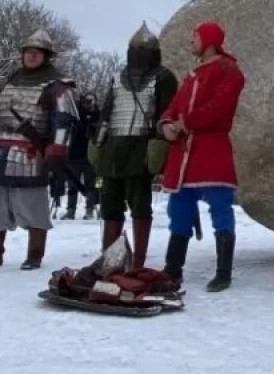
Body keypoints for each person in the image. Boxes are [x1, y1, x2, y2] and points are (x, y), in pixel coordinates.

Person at [0, 29, 78, 271]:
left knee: (33, 205)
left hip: (31, 152)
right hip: (0, 149)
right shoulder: (8, 82)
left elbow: (64, 121)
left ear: (46, 56)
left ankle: (34, 255)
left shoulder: (57, 86)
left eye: (37, 53)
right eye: (28, 52)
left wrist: (57, 149)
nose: (32, 56)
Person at [159, 21, 246, 292]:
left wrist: (189, 122)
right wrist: (167, 126)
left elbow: (219, 107)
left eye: (195, 37)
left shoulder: (229, 71)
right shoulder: (192, 75)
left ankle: (223, 272)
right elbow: (173, 107)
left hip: (211, 149)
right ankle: (173, 270)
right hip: (184, 152)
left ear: (209, 40)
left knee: (220, 208)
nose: (191, 41)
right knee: (179, 210)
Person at [95, 23, 178, 269]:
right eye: (136, 50)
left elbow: (167, 114)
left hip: (141, 148)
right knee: (110, 206)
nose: (140, 55)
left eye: (144, 50)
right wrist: (97, 144)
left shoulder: (164, 77)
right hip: (113, 149)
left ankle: (138, 262)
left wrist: (159, 148)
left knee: (140, 206)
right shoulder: (117, 77)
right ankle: (109, 260)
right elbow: (106, 114)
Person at [62, 91, 101, 220]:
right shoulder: (76, 114)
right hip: (74, 155)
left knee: (92, 184)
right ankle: (70, 210)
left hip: (91, 155)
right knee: (72, 184)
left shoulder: (98, 115)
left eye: (90, 101)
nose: (88, 104)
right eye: (86, 101)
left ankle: (90, 208)